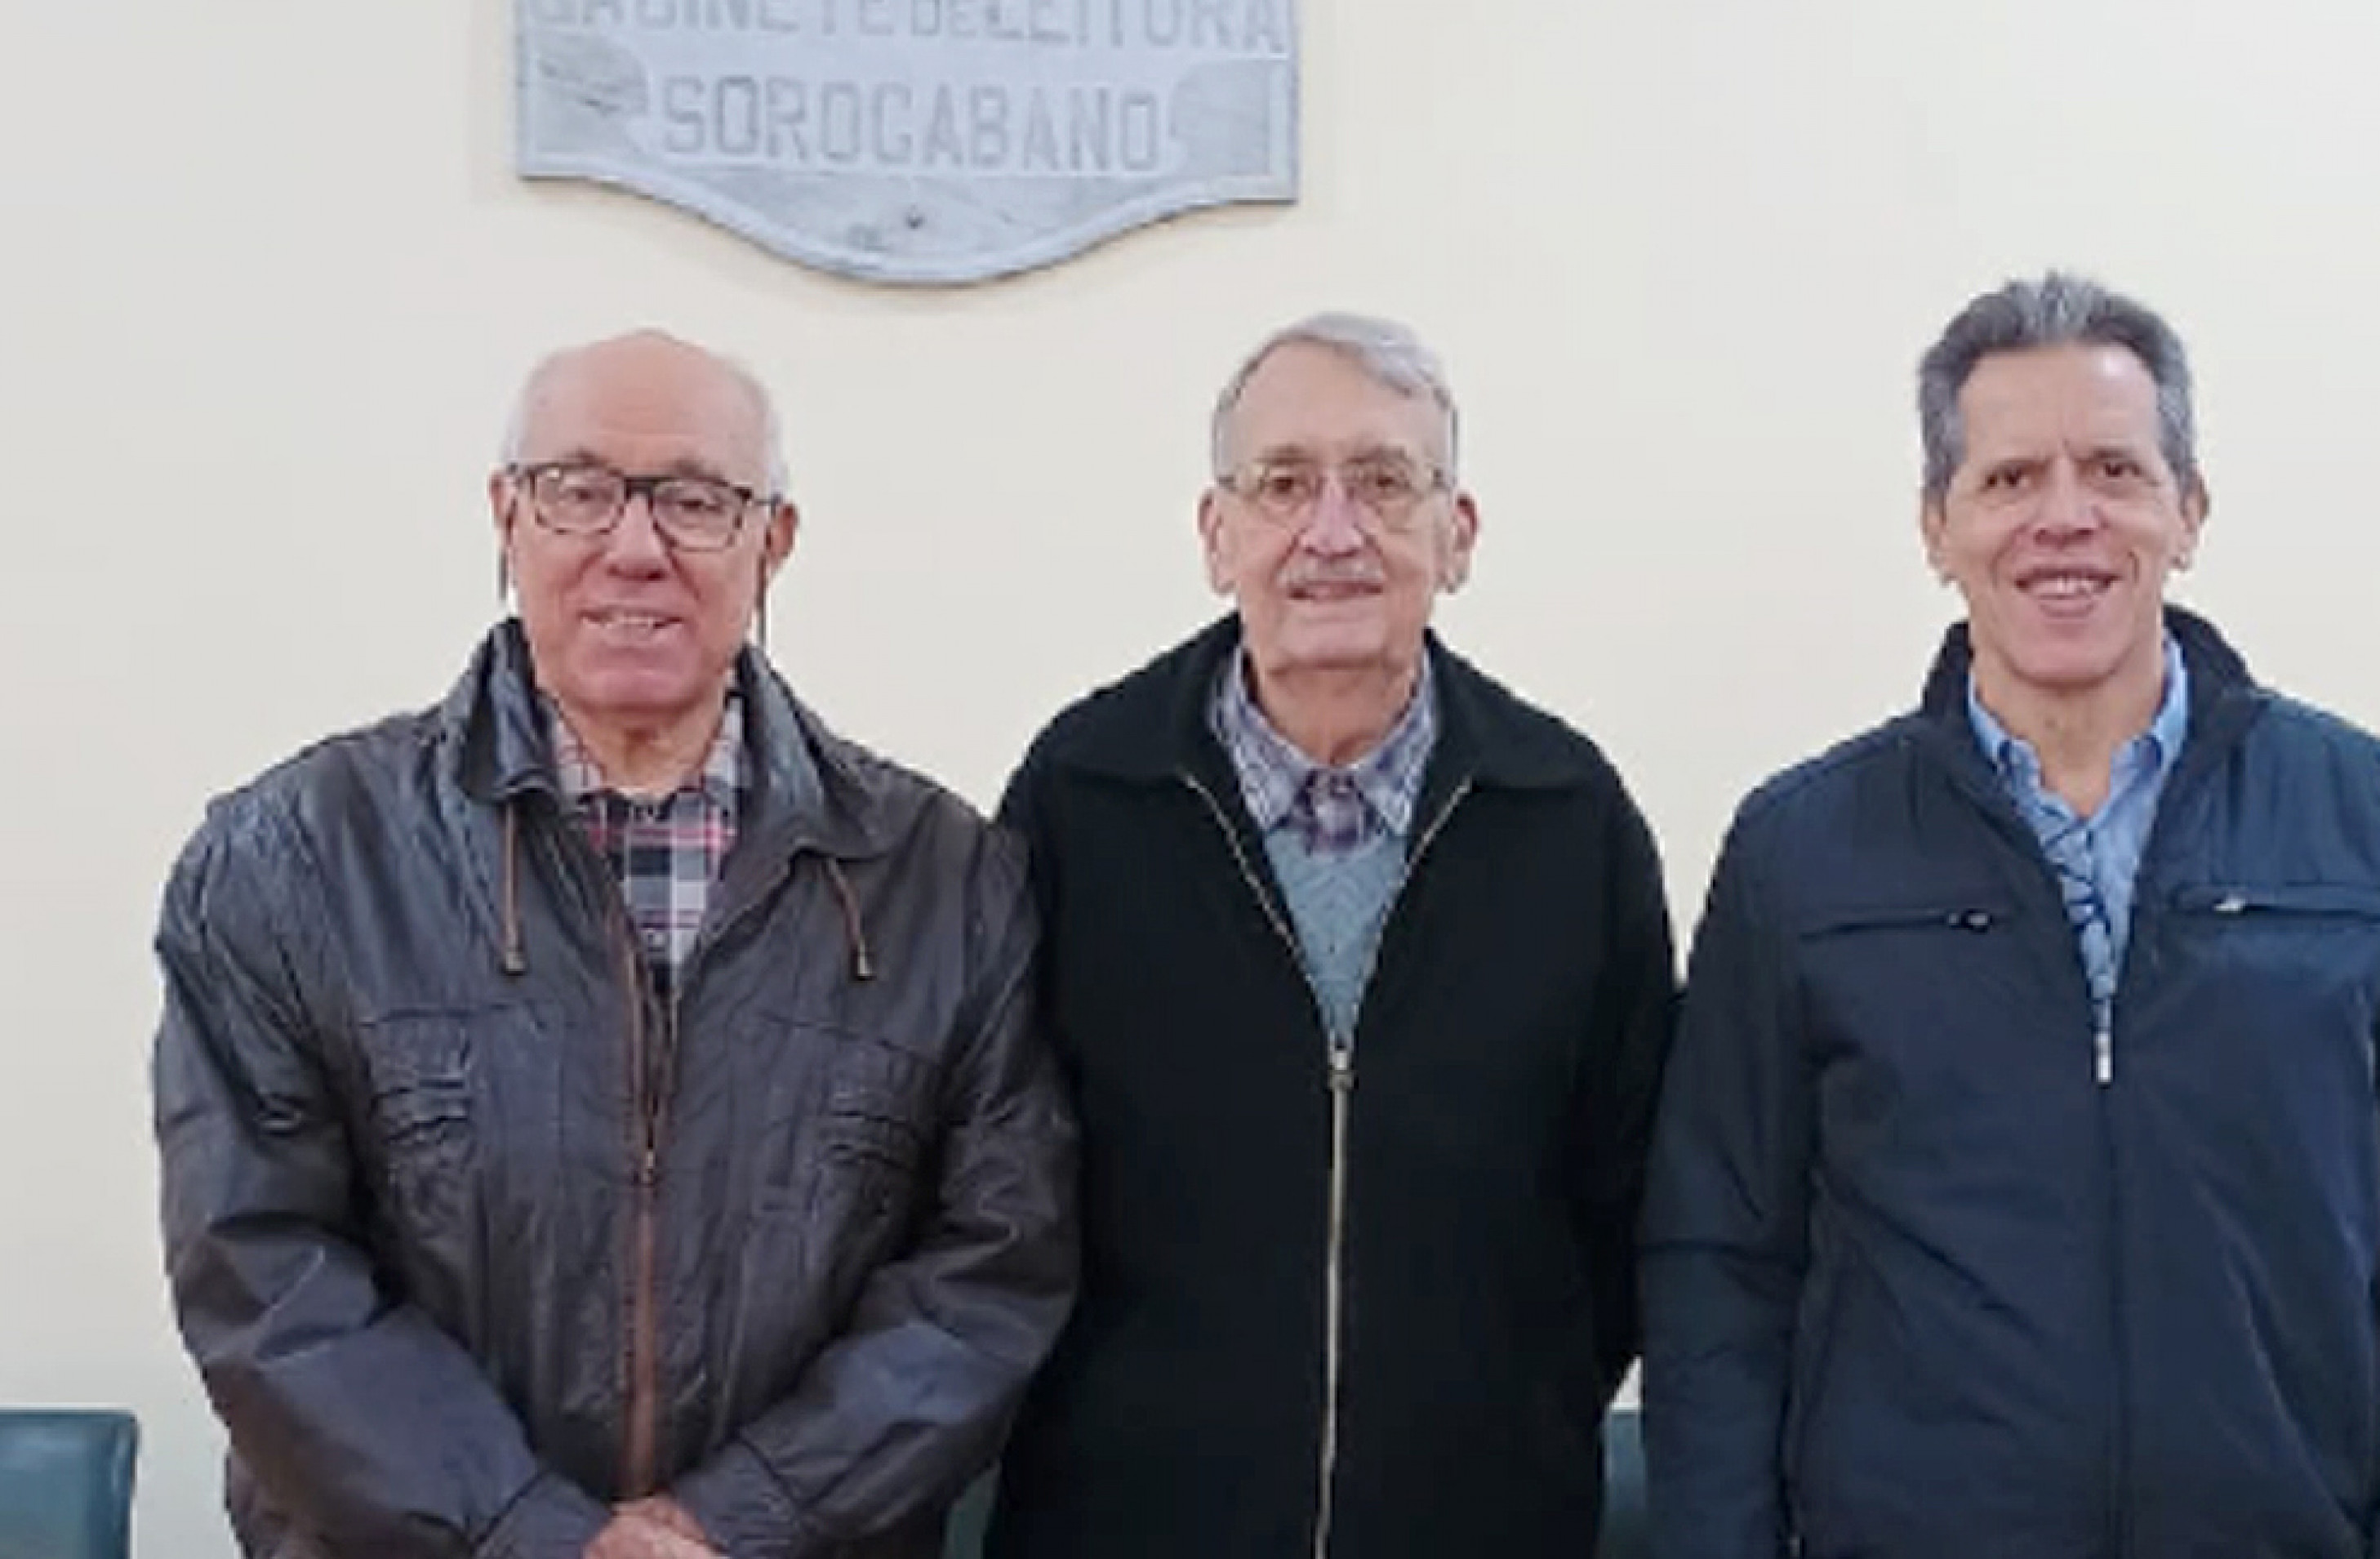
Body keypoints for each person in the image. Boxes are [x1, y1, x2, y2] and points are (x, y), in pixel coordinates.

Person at [1641, 272, 2380, 1557]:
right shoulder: (1800, 851)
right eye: (2010, 479)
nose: (2063, 518)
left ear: (2187, 511)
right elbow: (1716, 1263)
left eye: (2114, 471)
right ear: (1935, 525)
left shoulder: (2376, 820)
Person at [153, 329, 1077, 1559]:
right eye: (578, 488)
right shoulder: (293, 860)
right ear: (506, 516)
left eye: (696, 500)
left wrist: (727, 1524)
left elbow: (992, 1270)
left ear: (773, 542)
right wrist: (538, 1537)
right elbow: (261, 1271)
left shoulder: (941, 879)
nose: (633, 548)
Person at [985, 312, 1677, 1558]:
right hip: (1122, 1524)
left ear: (1455, 535)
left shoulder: (1566, 818)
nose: (1331, 530)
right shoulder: (1082, 797)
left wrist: (1494, 1417)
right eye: (1283, 482)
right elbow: (995, 1174)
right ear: (1217, 534)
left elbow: (1630, 1202)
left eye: (1383, 481)